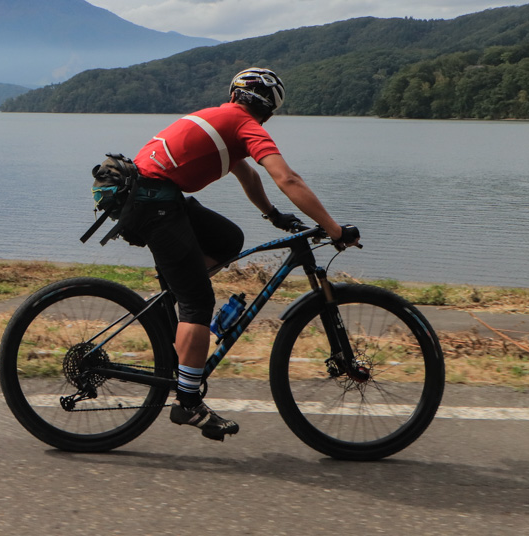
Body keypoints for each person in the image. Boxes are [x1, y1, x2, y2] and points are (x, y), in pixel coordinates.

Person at [125, 67, 359, 440]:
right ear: (268, 109)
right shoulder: (243, 123)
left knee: (228, 239)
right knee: (198, 299)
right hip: (154, 200)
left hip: (152, 194)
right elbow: (288, 178)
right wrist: (334, 229)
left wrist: (275, 216)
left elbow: (248, 175)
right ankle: (188, 402)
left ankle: (178, 303)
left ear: (236, 94)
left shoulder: (225, 120)